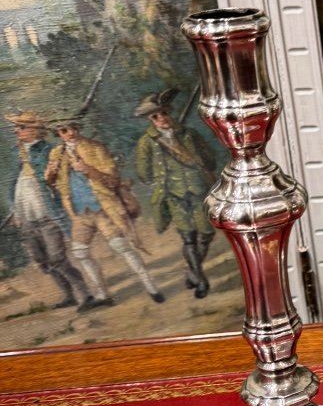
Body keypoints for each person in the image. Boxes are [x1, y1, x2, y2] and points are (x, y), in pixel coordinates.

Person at [46, 118, 163, 307]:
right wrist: (50, 173)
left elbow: (113, 179)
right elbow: (53, 183)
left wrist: (88, 170)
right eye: (64, 130)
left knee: (121, 247)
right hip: (79, 212)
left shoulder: (96, 147)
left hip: (102, 207)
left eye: (73, 128)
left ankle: (151, 286)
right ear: (58, 134)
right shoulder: (56, 153)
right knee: (81, 253)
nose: (70, 132)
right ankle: (103, 295)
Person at [3, 109, 95, 310]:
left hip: (47, 212)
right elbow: (11, 183)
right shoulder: (16, 153)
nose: (17, 131)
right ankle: (67, 294)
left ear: (36, 131)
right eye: (16, 128)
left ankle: (84, 294)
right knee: (41, 259)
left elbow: (57, 180)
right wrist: (14, 209)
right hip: (25, 213)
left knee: (57, 257)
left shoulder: (48, 150)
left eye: (22, 127)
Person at [133, 92, 218, 299]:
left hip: (198, 191)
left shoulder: (189, 135)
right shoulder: (147, 142)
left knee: (206, 234)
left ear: (169, 113)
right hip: (173, 195)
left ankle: (191, 272)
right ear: (149, 120)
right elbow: (143, 173)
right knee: (188, 238)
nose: (161, 119)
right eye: (155, 117)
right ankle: (201, 279)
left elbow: (210, 160)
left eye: (164, 113)